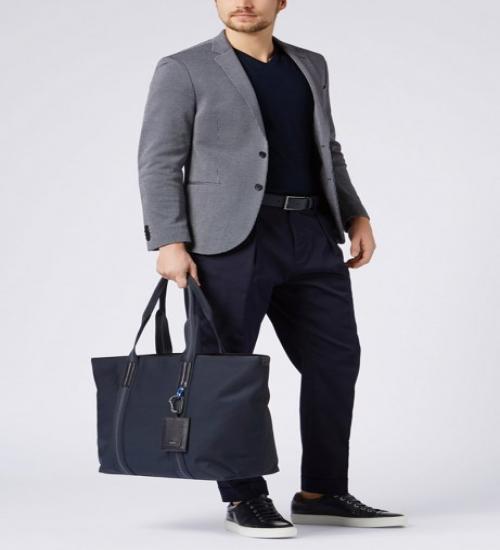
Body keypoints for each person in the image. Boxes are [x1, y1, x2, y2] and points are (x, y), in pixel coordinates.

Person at [137, 0, 406, 538]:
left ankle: (322, 491)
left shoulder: (310, 64)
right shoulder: (183, 68)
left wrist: (355, 213)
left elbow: (327, 148)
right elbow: (159, 160)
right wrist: (168, 240)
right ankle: (244, 495)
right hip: (228, 241)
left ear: (282, 1)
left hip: (310, 231)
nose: (243, 2)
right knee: (227, 370)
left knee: (335, 362)